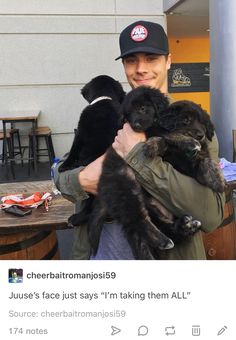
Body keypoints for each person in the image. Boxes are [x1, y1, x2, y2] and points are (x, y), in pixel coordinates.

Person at [54, 20, 225, 260]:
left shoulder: (191, 123)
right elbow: (62, 170)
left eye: (151, 58)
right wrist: (79, 180)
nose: (141, 68)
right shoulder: (112, 112)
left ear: (168, 61)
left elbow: (210, 216)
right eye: (131, 60)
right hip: (103, 256)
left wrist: (138, 155)